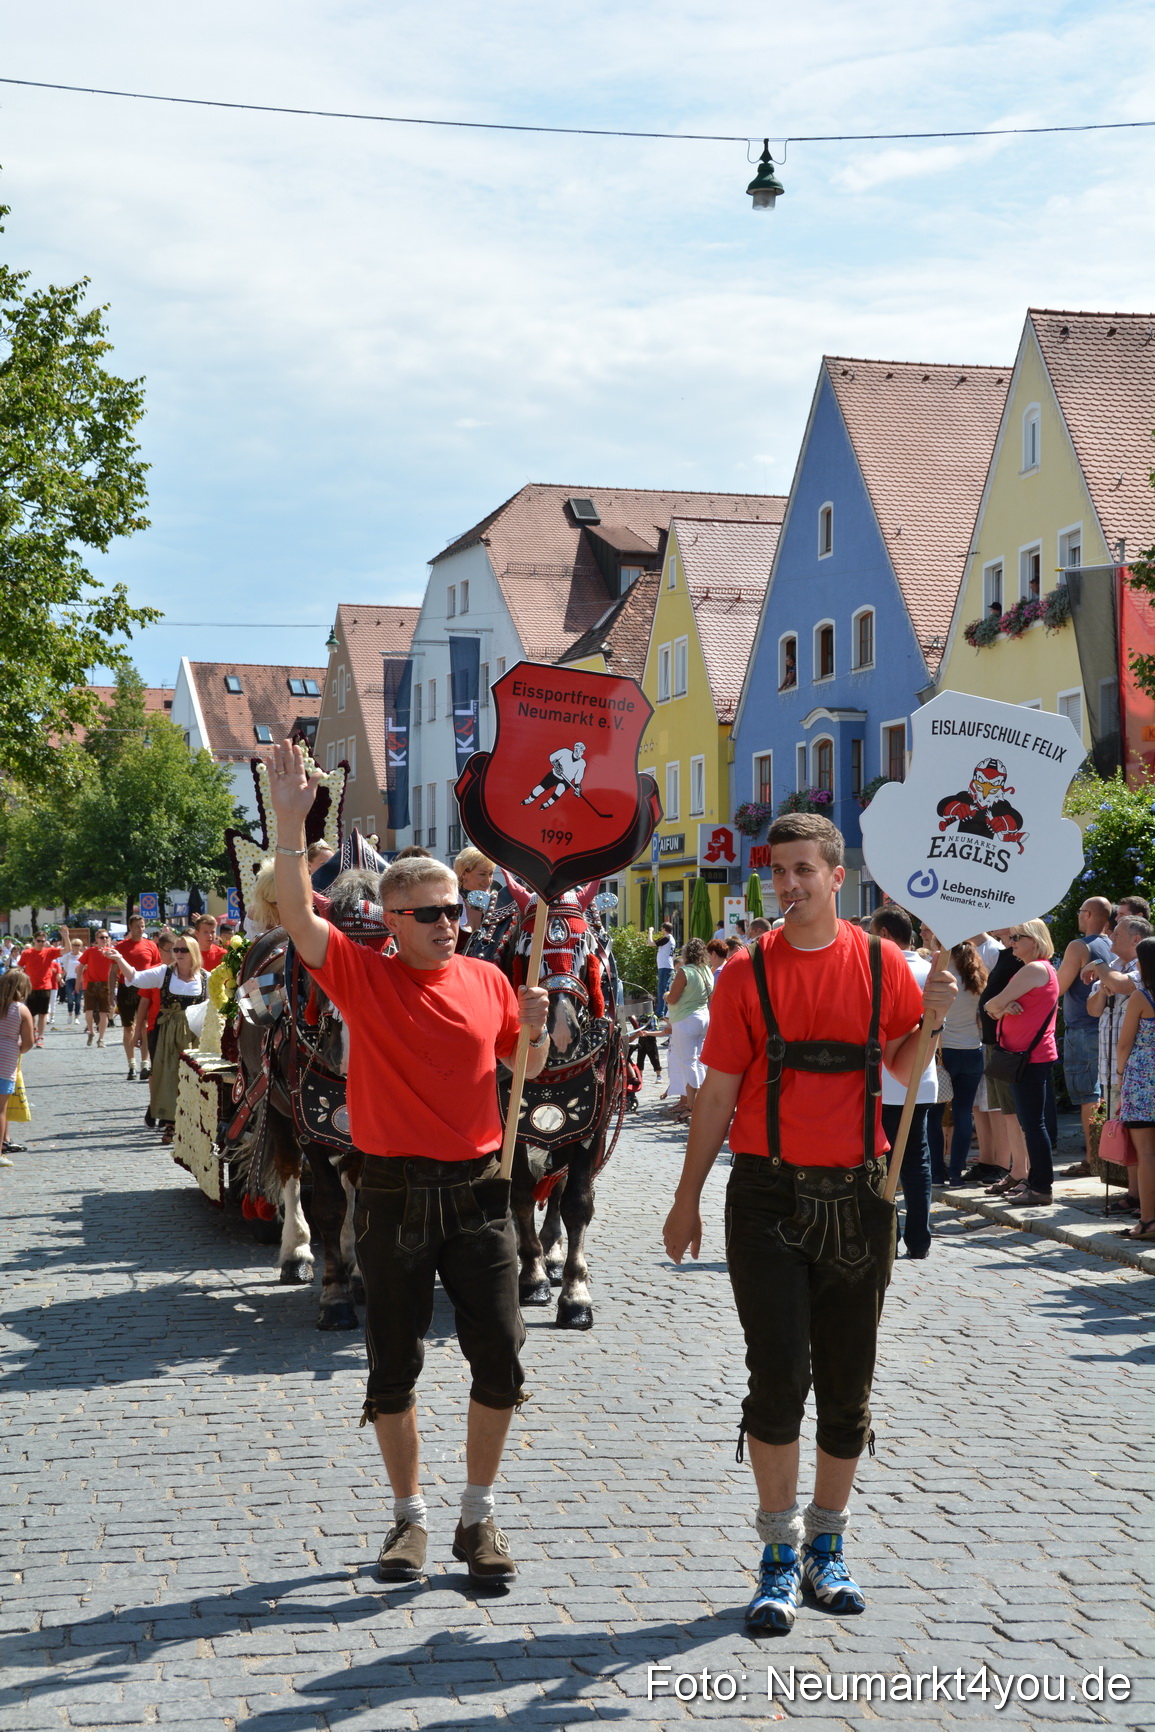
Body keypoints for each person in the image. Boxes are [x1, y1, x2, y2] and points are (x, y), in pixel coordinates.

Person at [662, 812, 956, 1631]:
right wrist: (685, 1198)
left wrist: (932, 1015)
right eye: (777, 871)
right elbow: (716, 1094)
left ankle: (829, 1544)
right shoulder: (745, 972)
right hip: (765, 1195)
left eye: (802, 870)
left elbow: (900, 1066)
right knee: (777, 1375)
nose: (788, 885)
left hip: (861, 1193)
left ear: (836, 876)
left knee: (847, 1381)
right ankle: (777, 1552)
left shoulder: (880, 962)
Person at [266, 738, 549, 1587]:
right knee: (392, 1365)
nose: (448, 923)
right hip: (389, 1195)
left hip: (478, 1194)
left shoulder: (490, 981)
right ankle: (408, 1521)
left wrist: (535, 1027)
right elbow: (298, 914)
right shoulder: (361, 976)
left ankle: (477, 1515)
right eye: (429, 913)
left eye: (454, 909)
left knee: (499, 1355)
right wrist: (289, 826)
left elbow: (516, 1067)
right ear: (392, 921)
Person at [869, 907, 936, 1259]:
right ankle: (919, 1239)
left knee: (884, 1162)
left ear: (883, 934)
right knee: (916, 1160)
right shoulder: (930, 971)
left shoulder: (878, 969)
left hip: (885, 1080)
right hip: (921, 1080)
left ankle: (889, 1235)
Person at [984, 919, 1059, 1205]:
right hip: (1027, 1055)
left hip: (1029, 1056)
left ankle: (1040, 1187)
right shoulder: (1040, 969)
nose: (1012, 942)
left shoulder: (1034, 968)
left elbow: (991, 1004)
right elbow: (991, 1006)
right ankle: (1036, 1183)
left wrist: (1001, 1007)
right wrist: (1002, 1007)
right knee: (1031, 1123)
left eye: (1017, 938)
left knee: (1032, 1124)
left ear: (1035, 940)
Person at [109, 935, 207, 1144]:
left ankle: (192, 1122)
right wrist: (119, 960)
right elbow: (135, 977)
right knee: (169, 1076)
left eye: (183, 950)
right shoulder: (164, 973)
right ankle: (170, 1123)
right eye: (176, 950)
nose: (178, 954)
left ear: (194, 953)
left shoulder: (205, 978)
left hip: (194, 1034)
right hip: (168, 1034)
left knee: (194, 1077)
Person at [920, 925, 989, 1187]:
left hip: (943, 1052)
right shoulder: (977, 978)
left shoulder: (941, 976)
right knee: (963, 1115)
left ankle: (937, 1173)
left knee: (935, 1116)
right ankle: (956, 1174)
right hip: (972, 1050)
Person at [1054, 897, 1114, 1176]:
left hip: (1082, 1027)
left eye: (1080, 911)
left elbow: (1057, 987)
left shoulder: (1079, 946)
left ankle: (1093, 1160)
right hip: (1108, 1028)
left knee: (1088, 1097)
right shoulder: (1114, 943)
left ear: (1088, 914)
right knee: (1106, 1094)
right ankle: (1108, 1156)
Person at [1115, 936, 1155, 1242]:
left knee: (1146, 1155)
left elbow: (1125, 1042)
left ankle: (1148, 1220)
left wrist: (1119, 1074)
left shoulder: (1142, 997)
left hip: (1143, 1083)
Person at [664, 938, 714, 1120]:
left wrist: (665, 995)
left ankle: (693, 1105)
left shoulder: (685, 971)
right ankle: (701, 1101)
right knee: (700, 1061)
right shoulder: (707, 970)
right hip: (703, 1017)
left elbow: (673, 998)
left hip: (685, 1018)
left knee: (689, 1062)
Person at [114, 916, 161, 1082]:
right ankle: (131, 1064)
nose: (140, 930)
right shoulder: (121, 946)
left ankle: (144, 1064)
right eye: (137, 927)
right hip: (126, 989)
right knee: (128, 1027)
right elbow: (113, 970)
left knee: (145, 1026)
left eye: (142, 926)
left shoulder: (151, 946)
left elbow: (157, 968)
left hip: (146, 988)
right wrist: (110, 990)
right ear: (130, 927)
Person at [0, 970, 34, 1167]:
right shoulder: (20, 1010)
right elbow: (28, 1042)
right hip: (6, 1059)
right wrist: (17, 1049)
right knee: (0, 1109)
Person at [17, 928, 71, 1046]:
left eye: (43, 941)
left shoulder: (49, 952)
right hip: (31, 987)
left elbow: (67, 950)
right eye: (39, 941)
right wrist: (19, 981)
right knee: (30, 1015)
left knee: (42, 1014)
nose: (41, 943)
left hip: (45, 987)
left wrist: (66, 936)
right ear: (34, 941)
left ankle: (40, 1037)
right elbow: (20, 967)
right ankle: (31, 1033)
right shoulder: (27, 953)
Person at [77, 930, 116, 1047]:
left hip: (106, 984)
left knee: (104, 1013)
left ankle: (101, 1039)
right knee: (88, 1011)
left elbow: (116, 969)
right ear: (96, 939)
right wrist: (78, 981)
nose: (104, 939)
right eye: (101, 937)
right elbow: (81, 966)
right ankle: (91, 1031)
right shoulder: (90, 951)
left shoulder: (112, 952)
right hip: (91, 984)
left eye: (106, 937)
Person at [454, 847, 498, 943]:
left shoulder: (497, 905)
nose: (488, 880)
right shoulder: (451, 902)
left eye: (491, 874)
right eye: (482, 874)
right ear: (464, 874)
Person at [650, 923, 675, 1017]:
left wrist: (650, 931)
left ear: (664, 929)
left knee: (662, 990)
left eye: (661, 928)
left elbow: (651, 943)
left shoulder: (667, 938)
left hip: (665, 966)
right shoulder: (671, 939)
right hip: (667, 966)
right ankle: (664, 1011)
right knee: (666, 990)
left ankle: (660, 1012)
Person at [60, 939, 83, 1028]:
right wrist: (61, 978)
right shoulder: (68, 956)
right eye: (74, 945)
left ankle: (77, 1016)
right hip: (69, 979)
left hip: (79, 979)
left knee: (78, 999)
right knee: (70, 998)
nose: (76, 947)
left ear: (80, 946)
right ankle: (70, 1014)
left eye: (78, 945)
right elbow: (65, 968)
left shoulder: (82, 956)